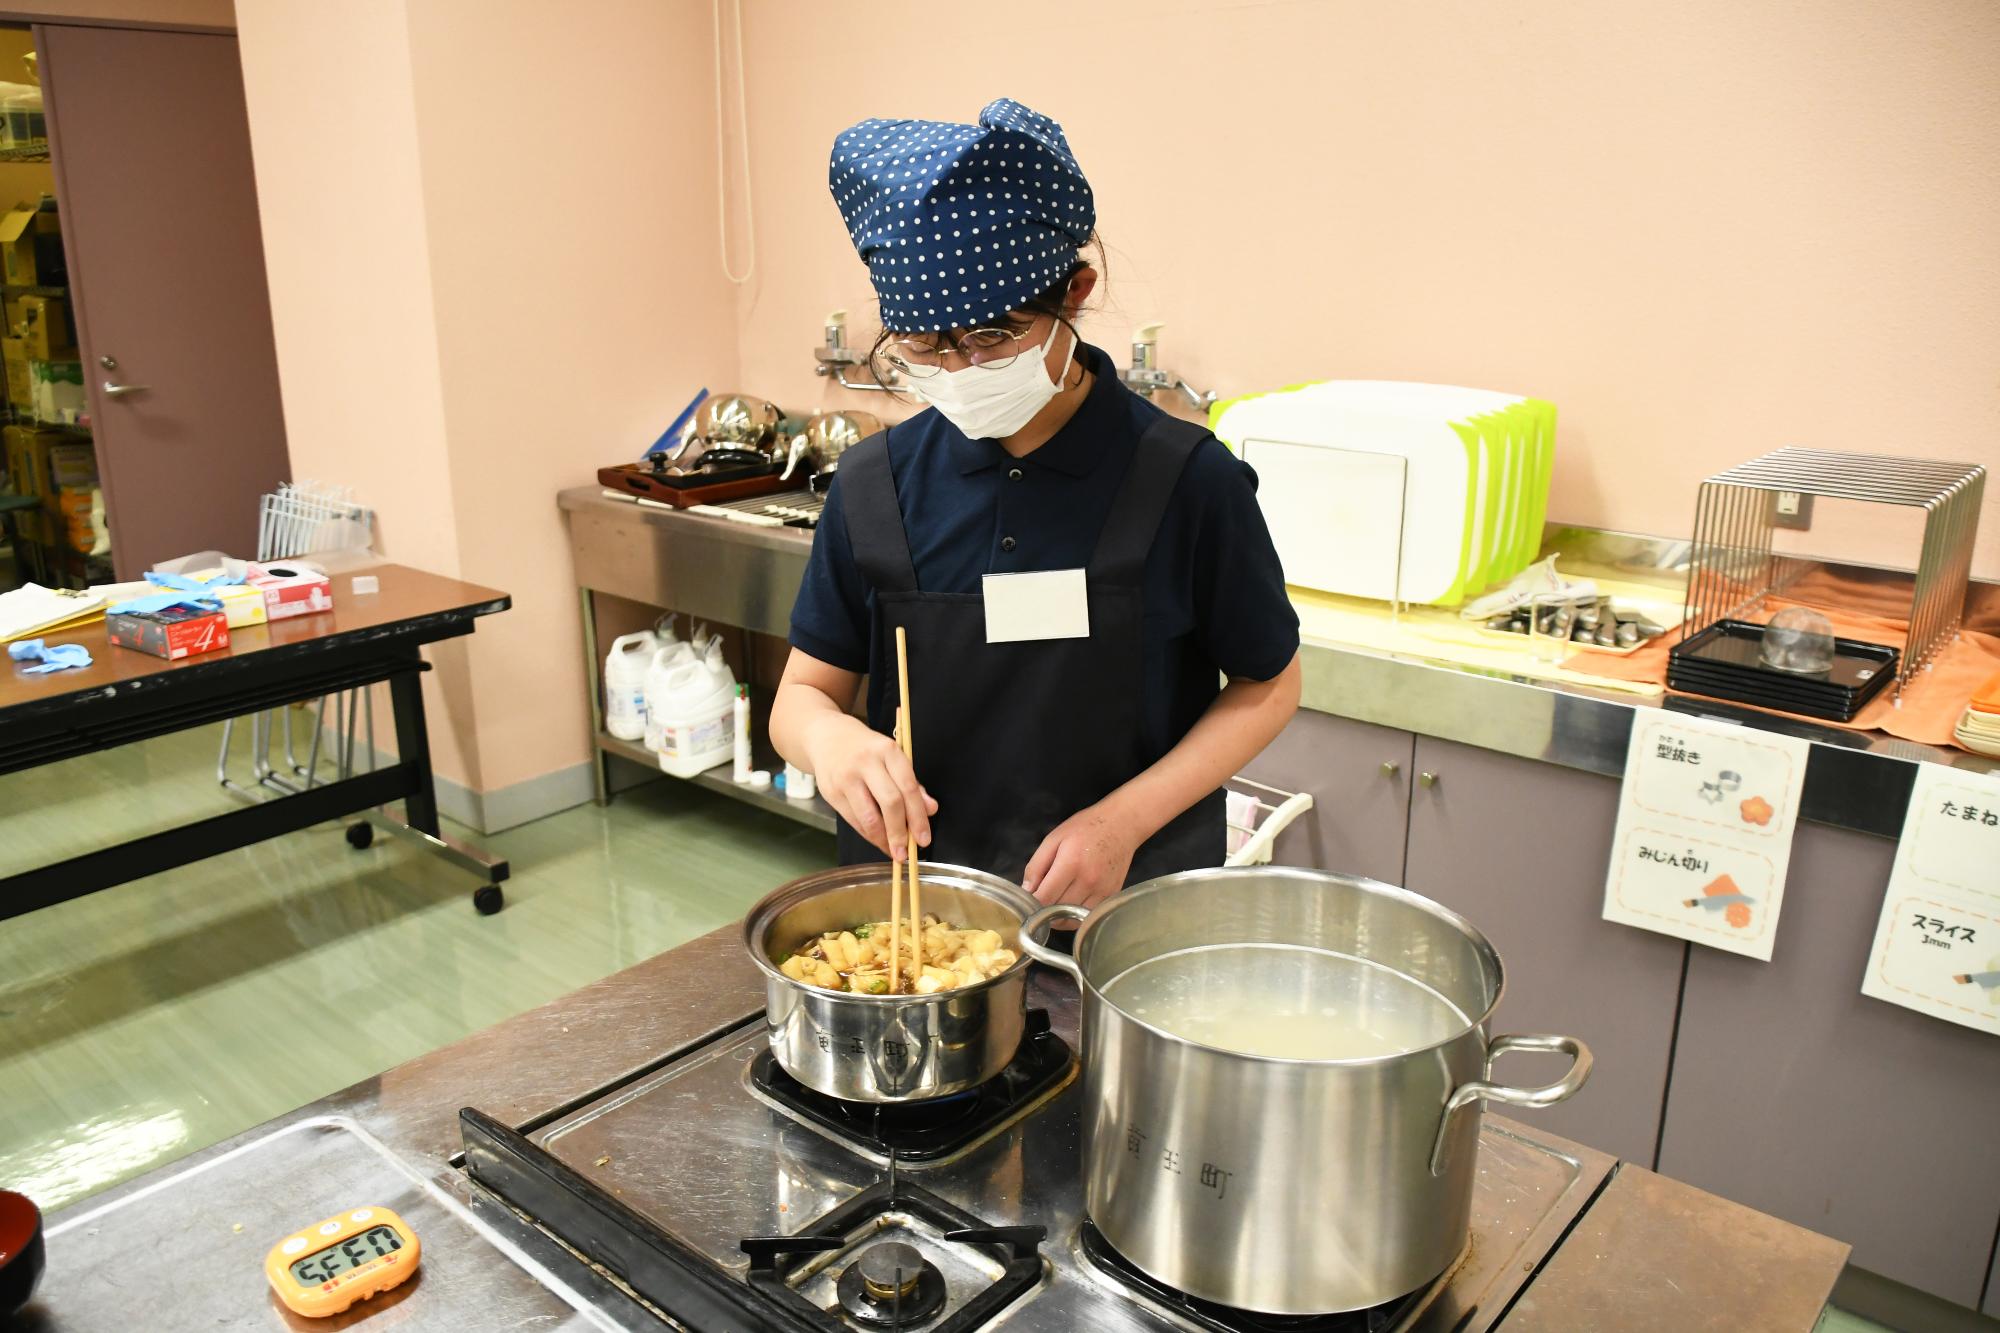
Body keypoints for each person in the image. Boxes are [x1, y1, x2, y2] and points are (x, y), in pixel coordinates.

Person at [770, 98, 1300, 910]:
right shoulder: (874, 486)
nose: (959, 366)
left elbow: (1270, 684)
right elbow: (800, 697)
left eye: (992, 337)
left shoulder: (1186, 480)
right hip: (919, 912)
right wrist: (829, 739)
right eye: (925, 345)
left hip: (1126, 910)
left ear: (1076, 293)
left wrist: (1124, 822)